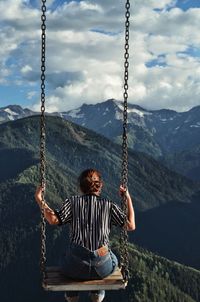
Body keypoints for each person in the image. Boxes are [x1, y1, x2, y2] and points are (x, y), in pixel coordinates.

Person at [35, 169, 136, 302]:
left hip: (74, 267)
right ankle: (97, 296)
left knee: (67, 257)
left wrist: (39, 198)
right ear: (100, 185)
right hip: (102, 267)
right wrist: (127, 198)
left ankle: (72, 297)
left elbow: (53, 219)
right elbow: (131, 226)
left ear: (81, 186)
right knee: (110, 258)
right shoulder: (109, 205)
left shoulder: (72, 202)